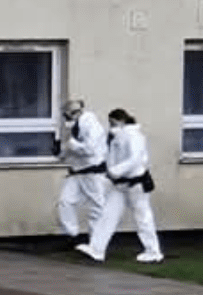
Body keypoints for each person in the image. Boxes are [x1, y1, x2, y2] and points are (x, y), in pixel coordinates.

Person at [75, 108, 163, 264]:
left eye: (113, 122)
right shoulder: (118, 137)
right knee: (107, 214)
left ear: (121, 121)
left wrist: (114, 171)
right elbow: (112, 158)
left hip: (136, 183)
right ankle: (97, 249)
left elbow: (135, 159)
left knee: (143, 218)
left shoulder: (134, 136)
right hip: (120, 184)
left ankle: (153, 251)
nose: (111, 126)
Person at [53, 98, 108, 246]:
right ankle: (72, 234)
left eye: (66, 115)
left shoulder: (91, 125)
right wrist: (60, 152)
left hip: (93, 172)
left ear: (73, 113)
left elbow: (89, 150)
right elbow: (71, 150)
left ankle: (97, 241)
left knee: (98, 205)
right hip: (77, 172)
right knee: (65, 202)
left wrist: (70, 144)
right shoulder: (74, 127)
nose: (65, 119)